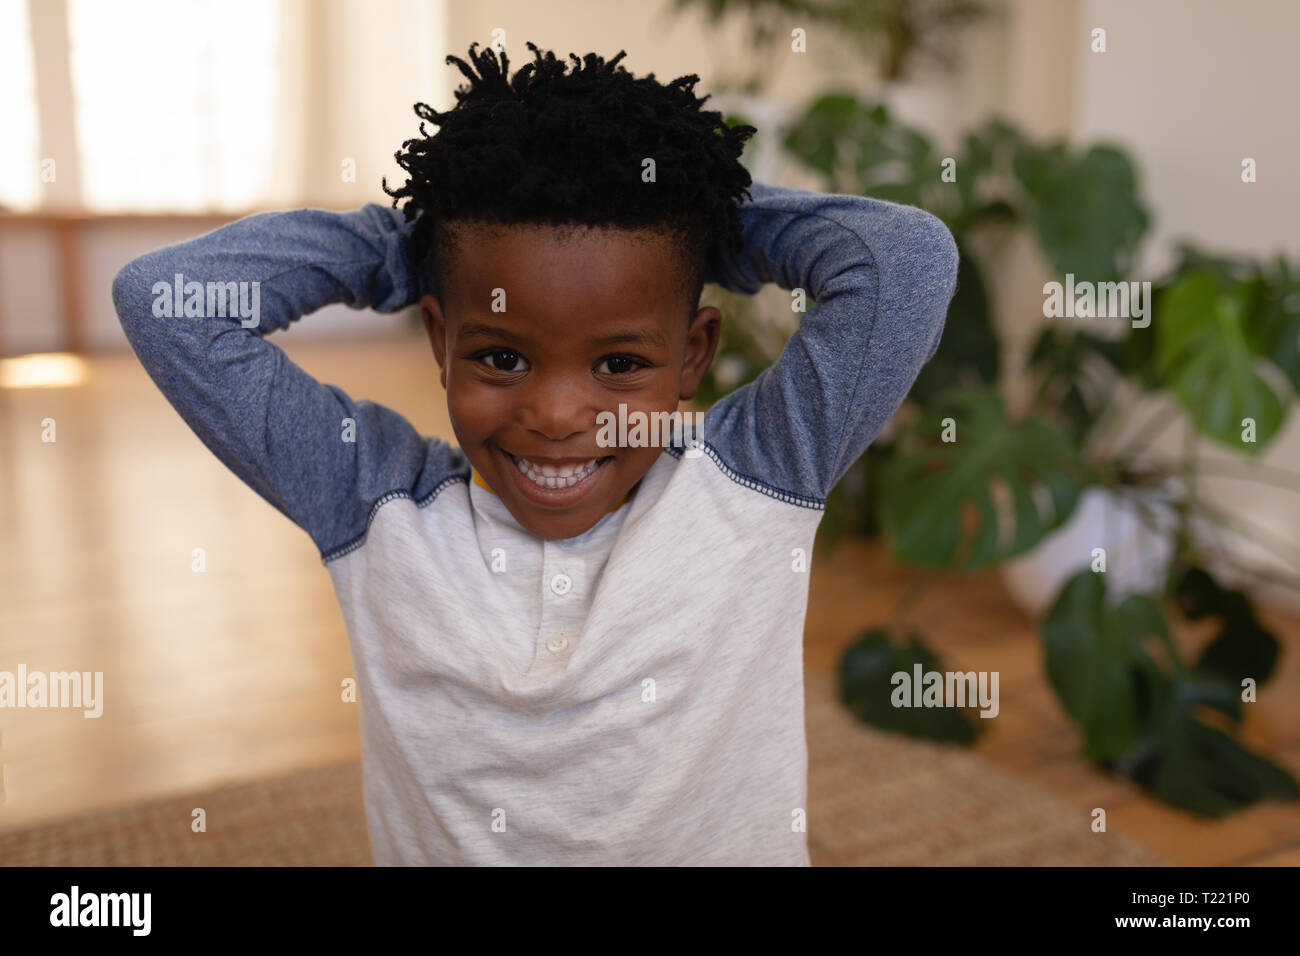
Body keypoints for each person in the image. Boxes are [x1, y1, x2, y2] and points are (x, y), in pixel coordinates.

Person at [111, 41, 959, 865]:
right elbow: (165, 301)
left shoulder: (756, 476)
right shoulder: (372, 502)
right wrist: (408, 244)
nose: (555, 414)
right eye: (502, 357)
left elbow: (905, 261)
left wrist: (706, 227)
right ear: (440, 339)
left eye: (619, 364)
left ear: (693, 355)